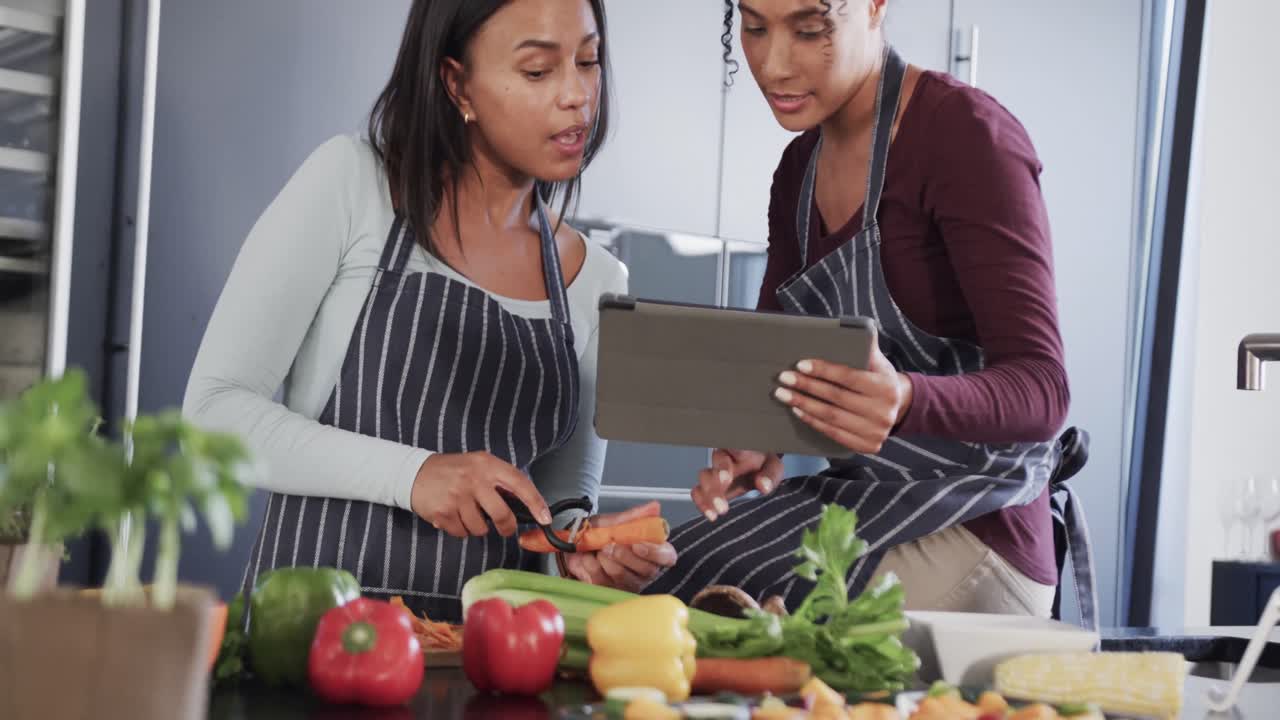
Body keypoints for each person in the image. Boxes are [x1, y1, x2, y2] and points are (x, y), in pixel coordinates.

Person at [184, 0, 675, 622]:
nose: (577, 96)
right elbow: (213, 417)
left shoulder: (599, 280)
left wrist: (581, 557)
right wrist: (413, 475)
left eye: (589, 61)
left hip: (492, 665)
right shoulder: (353, 185)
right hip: (309, 642)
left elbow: (558, 513)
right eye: (537, 71)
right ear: (455, 82)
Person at [646, 0, 1088, 620]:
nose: (773, 64)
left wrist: (905, 398)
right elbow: (771, 375)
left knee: (719, 628)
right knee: (667, 585)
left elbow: (1044, 392)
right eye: (753, 27)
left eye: (808, 30)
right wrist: (758, 440)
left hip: (979, 528)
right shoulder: (797, 173)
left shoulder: (966, 136)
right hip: (864, 506)